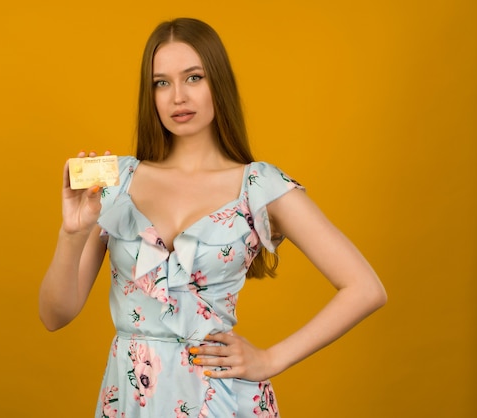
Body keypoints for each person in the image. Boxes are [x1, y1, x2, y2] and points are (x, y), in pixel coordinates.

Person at [39, 17, 387, 418]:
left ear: (217, 82)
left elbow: (365, 288)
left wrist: (272, 359)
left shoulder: (258, 185)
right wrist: (72, 232)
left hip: (221, 400)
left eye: (193, 77)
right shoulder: (116, 181)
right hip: (131, 398)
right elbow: (54, 315)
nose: (177, 97)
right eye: (161, 82)